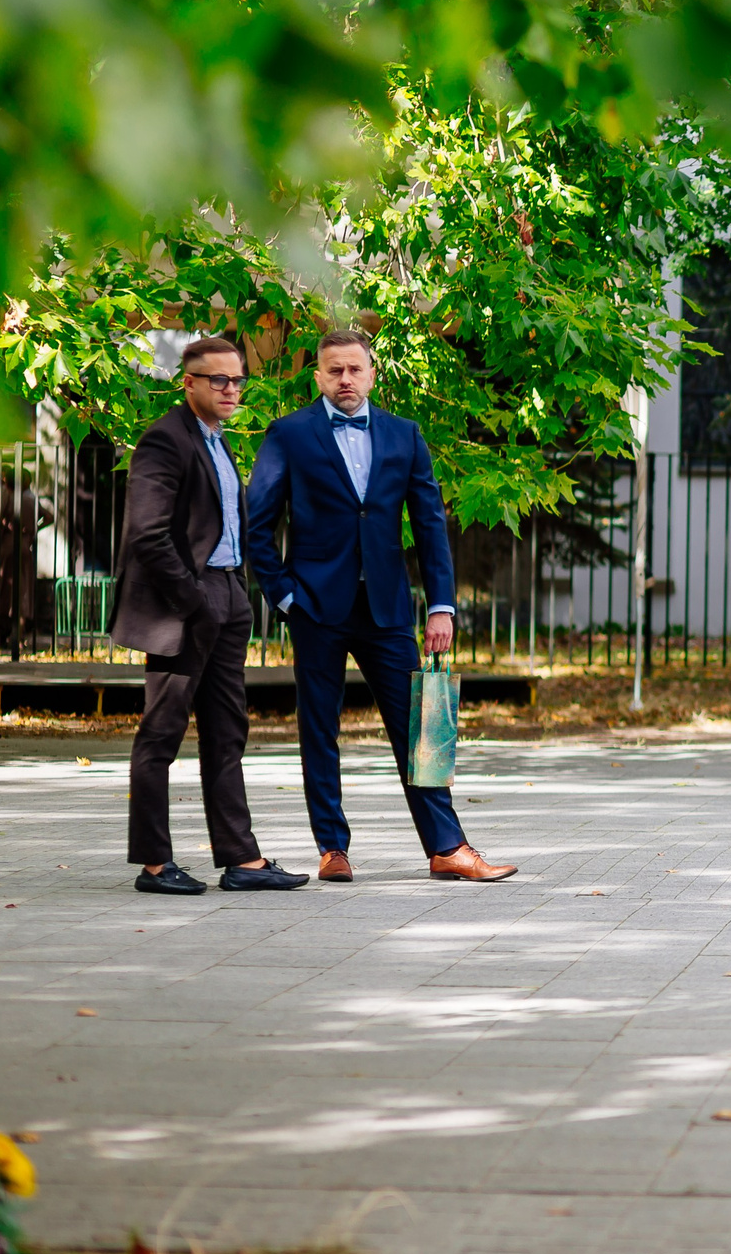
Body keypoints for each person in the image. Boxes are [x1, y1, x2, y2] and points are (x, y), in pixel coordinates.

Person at [247, 329, 517, 882]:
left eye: (355, 369)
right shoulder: (289, 435)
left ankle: (447, 847)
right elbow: (257, 527)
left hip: (388, 607)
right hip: (316, 607)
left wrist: (441, 605)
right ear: (318, 376)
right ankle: (332, 848)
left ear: (372, 373)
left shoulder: (405, 436)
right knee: (318, 729)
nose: (345, 379)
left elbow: (430, 524)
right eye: (334, 370)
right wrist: (285, 595)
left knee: (421, 728)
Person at [110, 336, 308, 895]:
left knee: (227, 733)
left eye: (237, 380)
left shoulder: (218, 442)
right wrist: (195, 602)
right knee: (162, 733)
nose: (230, 389)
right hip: (185, 607)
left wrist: (234, 592)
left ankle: (242, 860)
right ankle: (154, 864)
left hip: (228, 596)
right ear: (188, 382)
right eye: (218, 380)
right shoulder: (163, 441)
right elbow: (148, 535)